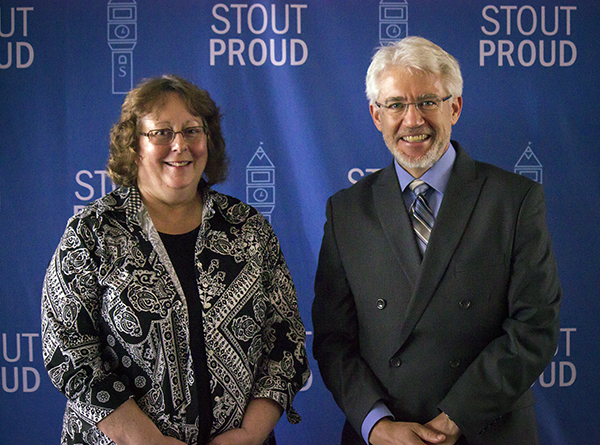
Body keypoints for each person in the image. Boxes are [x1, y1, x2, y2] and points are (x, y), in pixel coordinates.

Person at [312, 36, 561, 445]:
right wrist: (377, 425)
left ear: (455, 107)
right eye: (396, 105)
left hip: (486, 430)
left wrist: (454, 419)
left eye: (428, 101)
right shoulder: (347, 211)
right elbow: (333, 339)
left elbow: (535, 326)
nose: (412, 120)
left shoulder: (514, 201)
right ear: (376, 115)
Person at [42, 74, 310, 445]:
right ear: (133, 144)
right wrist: (146, 440)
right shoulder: (93, 232)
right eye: (162, 132)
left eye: (192, 131)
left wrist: (250, 434)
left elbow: (286, 343)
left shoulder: (248, 229)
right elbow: (68, 350)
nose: (180, 145)